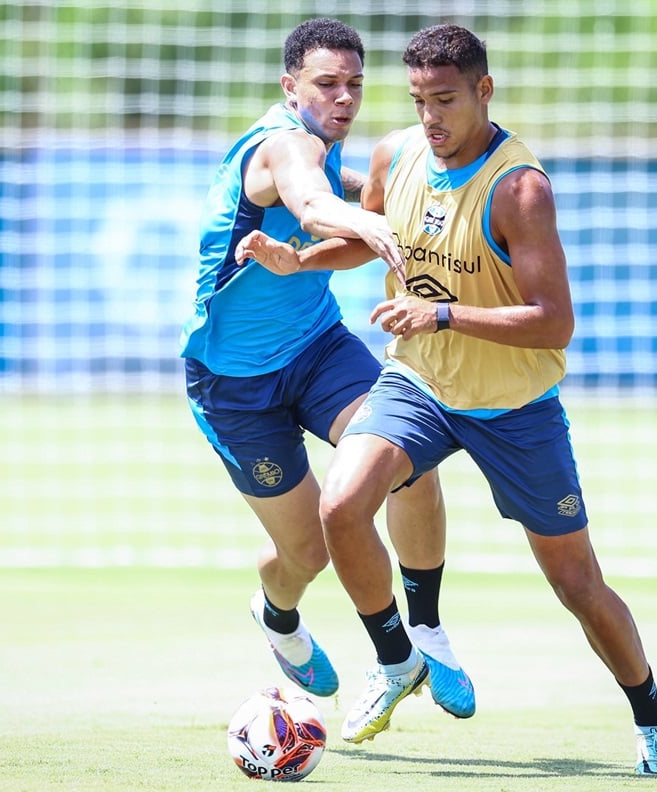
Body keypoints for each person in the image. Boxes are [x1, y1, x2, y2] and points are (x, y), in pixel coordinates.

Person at [235, 24, 657, 775]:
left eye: (445, 100)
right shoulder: (395, 152)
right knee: (341, 505)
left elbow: (554, 323)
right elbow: (372, 241)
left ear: (484, 91)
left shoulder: (520, 188)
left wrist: (441, 312)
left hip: (514, 405)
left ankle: (652, 715)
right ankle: (397, 656)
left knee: (577, 583)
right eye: (418, 100)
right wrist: (297, 262)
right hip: (420, 382)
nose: (430, 118)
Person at [180, 18, 475, 720]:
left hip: (317, 350)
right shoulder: (282, 145)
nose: (343, 98)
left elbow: (362, 191)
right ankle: (277, 615)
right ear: (290, 87)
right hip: (234, 385)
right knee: (306, 551)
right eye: (326, 84)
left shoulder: (330, 150)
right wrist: (364, 223)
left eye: (355, 85)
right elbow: (311, 202)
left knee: (406, 458)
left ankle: (417, 637)